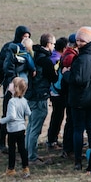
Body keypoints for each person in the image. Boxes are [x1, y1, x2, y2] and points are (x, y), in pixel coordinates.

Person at [66, 27, 91, 171]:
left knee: (78, 130)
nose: (78, 43)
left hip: (81, 99)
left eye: (81, 40)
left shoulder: (85, 57)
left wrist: (67, 74)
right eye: (77, 40)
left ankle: (78, 161)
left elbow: (80, 79)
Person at [0, 25, 31, 153]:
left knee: (20, 115)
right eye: (24, 36)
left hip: (23, 87)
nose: (25, 39)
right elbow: (0, 66)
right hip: (10, 86)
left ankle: (16, 142)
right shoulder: (9, 48)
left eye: (27, 37)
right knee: (8, 114)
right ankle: (1, 142)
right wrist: (6, 82)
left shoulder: (27, 49)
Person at [26, 33, 58, 164]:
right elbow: (54, 78)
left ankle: (27, 152)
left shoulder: (34, 55)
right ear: (49, 44)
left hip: (30, 95)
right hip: (40, 96)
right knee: (35, 128)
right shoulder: (45, 61)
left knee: (30, 126)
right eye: (53, 44)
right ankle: (32, 157)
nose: (54, 47)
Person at [0, 77, 32, 177]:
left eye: (12, 83)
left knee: (12, 149)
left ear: (15, 88)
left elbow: (12, 116)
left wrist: (1, 121)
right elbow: (28, 112)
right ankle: (25, 167)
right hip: (21, 128)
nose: (9, 84)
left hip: (12, 129)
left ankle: (11, 169)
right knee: (22, 149)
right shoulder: (24, 100)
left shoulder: (12, 101)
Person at [46, 36, 68, 151]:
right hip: (58, 92)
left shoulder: (52, 56)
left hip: (53, 91)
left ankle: (52, 138)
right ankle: (52, 140)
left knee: (57, 115)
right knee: (57, 116)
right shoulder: (59, 59)